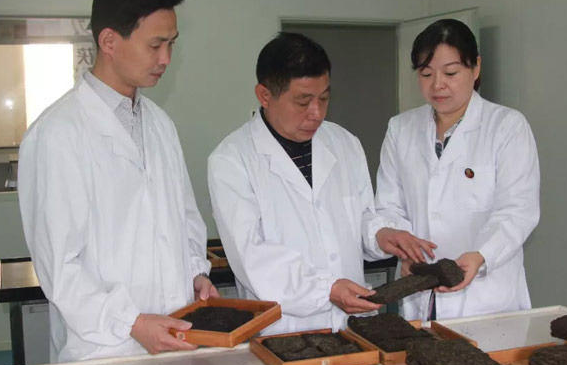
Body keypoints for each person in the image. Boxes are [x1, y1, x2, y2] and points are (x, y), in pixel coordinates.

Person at [18, 0, 218, 363]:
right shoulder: (57, 134)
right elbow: (62, 268)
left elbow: (184, 218)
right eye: (155, 45)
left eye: (172, 44)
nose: (166, 58)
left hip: (174, 333)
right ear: (109, 41)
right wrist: (132, 322)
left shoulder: (160, 125)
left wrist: (195, 272)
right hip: (102, 352)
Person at [207, 32, 406, 335]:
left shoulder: (344, 143)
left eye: (324, 98)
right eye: (303, 101)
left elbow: (360, 218)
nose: (317, 113)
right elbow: (252, 257)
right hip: (283, 330)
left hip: (355, 329)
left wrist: (379, 234)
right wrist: (327, 290)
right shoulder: (231, 160)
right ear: (264, 95)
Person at [375, 19, 540, 321]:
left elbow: (518, 210)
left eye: (450, 73)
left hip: (487, 298)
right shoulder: (400, 129)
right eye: (426, 74)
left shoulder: (507, 126)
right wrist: (405, 249)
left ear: (476, 68)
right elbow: (389, 206)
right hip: (420, 293)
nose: (437, 84)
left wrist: (481, 255)